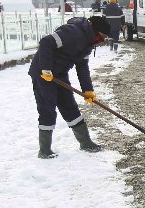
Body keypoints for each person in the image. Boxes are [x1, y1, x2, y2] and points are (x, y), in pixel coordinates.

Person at [28, 15, 111, 159]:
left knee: (70, 107)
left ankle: (86, 143)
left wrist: (88, 90)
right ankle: (44, 150)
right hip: (42, 74)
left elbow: (82, 67)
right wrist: (46, 68)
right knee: (47, 110)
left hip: (59, 74)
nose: (101, 41)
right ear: (95, 30)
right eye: (102, 36)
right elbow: (46, 42)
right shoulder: (73, 32)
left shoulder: (88, 43)